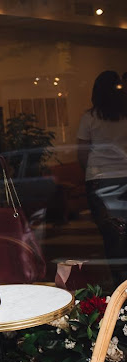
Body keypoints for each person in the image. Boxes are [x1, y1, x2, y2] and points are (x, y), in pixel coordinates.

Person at [78, 70, 127, 285]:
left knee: (111, 235)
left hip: (99, 180)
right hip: (125, 178)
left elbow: (82, 152)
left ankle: (119, 285)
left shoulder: (89, 117)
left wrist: (88, 173)